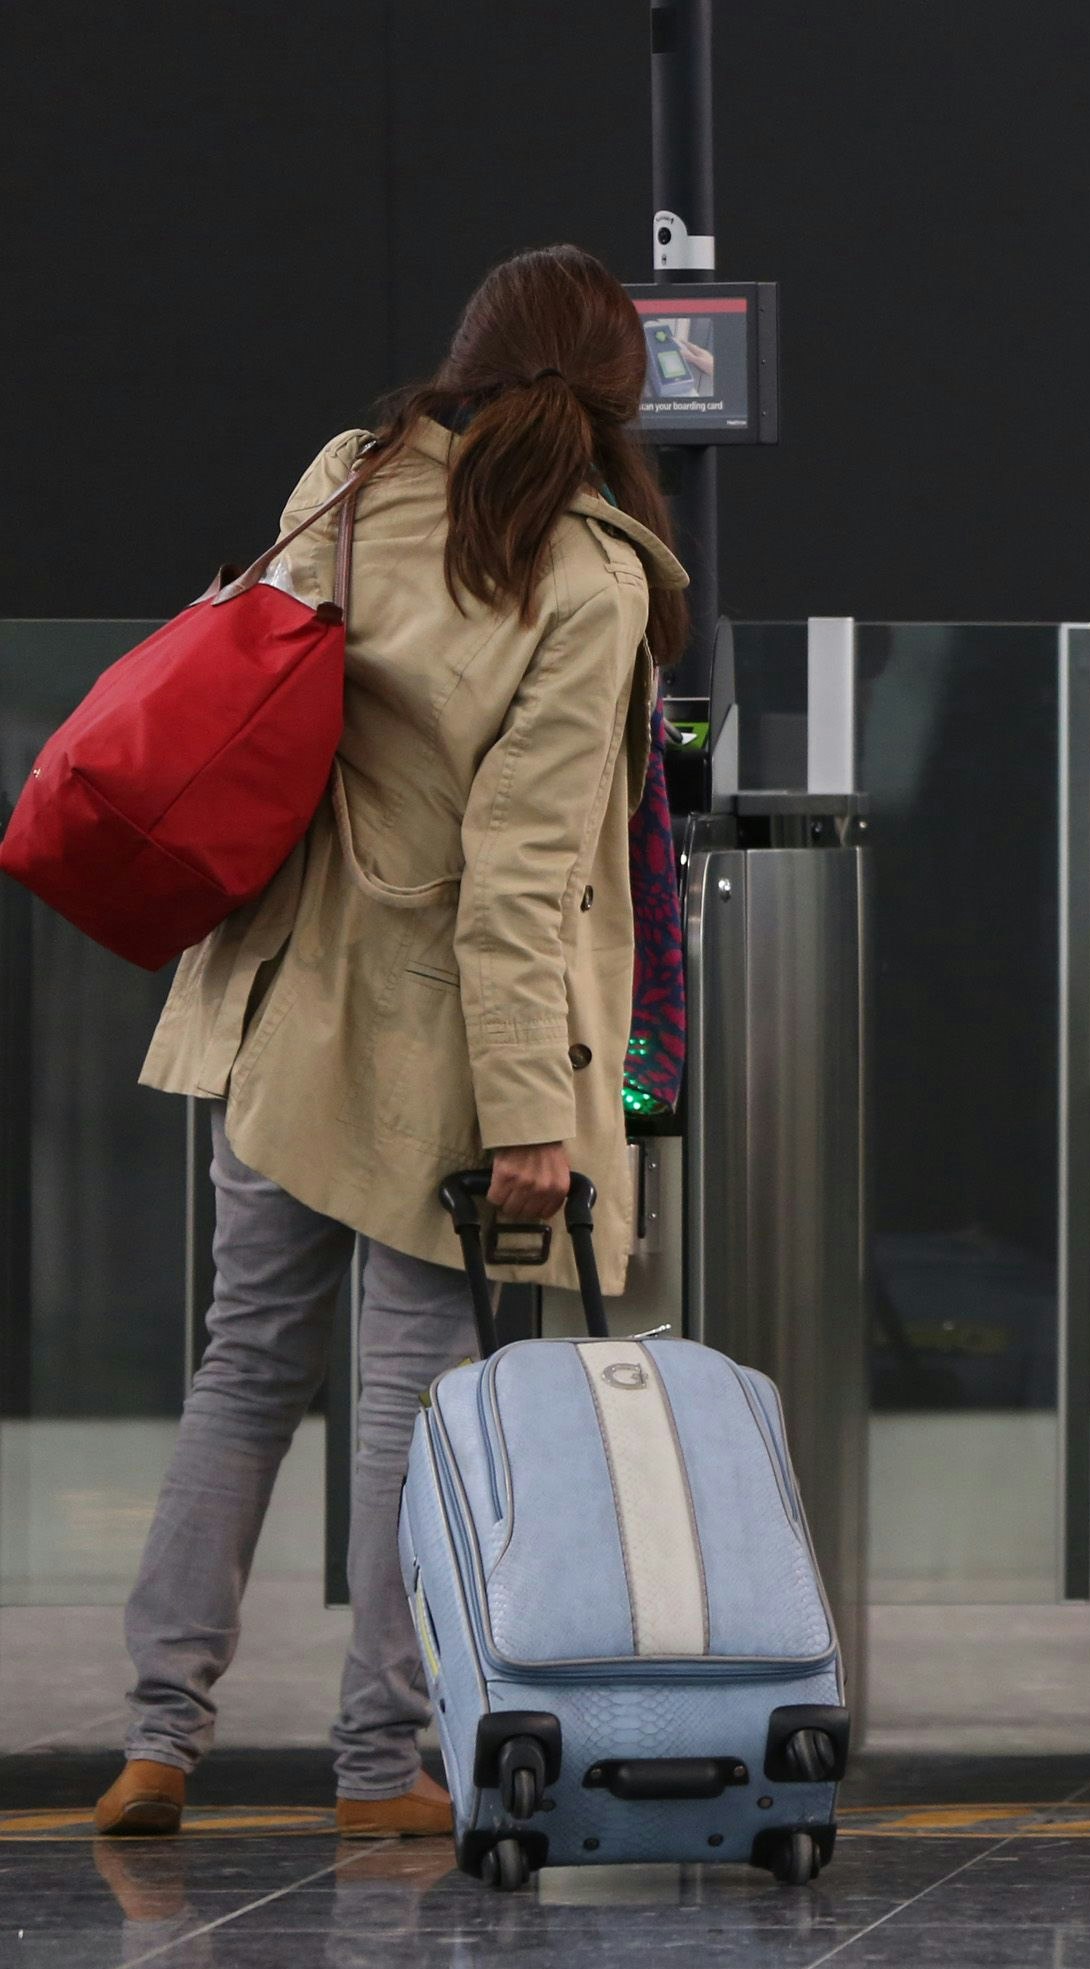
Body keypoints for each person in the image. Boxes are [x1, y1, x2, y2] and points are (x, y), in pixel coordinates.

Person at [90, 245, 689, 1837]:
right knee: (419, 1395)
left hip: (277, 997)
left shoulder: (350, 483)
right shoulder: (589, 577)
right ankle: (382, 1761)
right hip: (436, 1044)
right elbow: (520, 877)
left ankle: (160, 1734)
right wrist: (530, 1110)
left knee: (243, 1366)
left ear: (468, 356)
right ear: (624, 392)